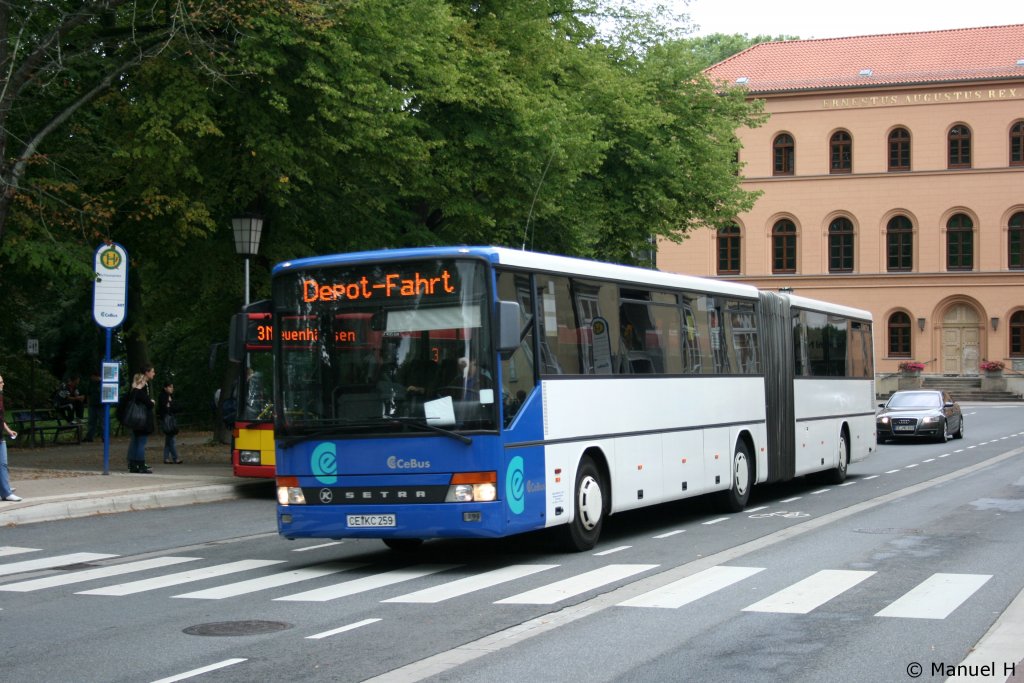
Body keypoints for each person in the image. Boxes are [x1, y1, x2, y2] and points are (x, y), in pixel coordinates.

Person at [125, 365, 156, 474]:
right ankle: (140, 464)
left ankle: (133, 464)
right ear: (146, 373)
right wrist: (151, 402)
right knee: (141, 442)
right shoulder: (140, 390)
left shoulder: (134, 390)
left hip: (136, 419)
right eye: (152, 371)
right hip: (142, 419)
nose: (153, 373)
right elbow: (148, 403)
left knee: (136, 441)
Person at [0, 374, 24, 501]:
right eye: (0, 382)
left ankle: (5, 491)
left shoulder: (0, 398)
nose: (3, 384)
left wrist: (9, 431)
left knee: (3, 464)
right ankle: (5, 490)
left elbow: (1, 418)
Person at [157, 381, 182, 464]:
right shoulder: (163, 396)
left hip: (170, 418)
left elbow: (175, 407)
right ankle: (175, 458)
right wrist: (170, 405)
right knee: (171, 439)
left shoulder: (170, 396)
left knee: (169, 439)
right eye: (170, 387)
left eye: (172, 387)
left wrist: (170, 404)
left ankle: (166, 458)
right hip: (167, 420)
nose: (172, 389)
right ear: (165, 388)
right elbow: (165, 409)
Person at [83, 371, 102, 442]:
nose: (91, 378)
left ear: (95, 376)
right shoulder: (91, 383)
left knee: (102, 422)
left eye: (92, 377)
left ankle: (104, 437)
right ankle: (89, 437)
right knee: (91, 422)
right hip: (92, 405)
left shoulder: (102, 383)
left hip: (101, 406)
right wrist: (88, 404)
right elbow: (88, 394)